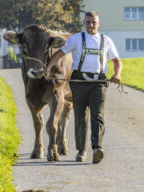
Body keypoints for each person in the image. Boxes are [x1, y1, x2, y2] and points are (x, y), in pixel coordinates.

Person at [45, 11, 122, 164]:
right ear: (84, 23)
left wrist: (117, 74)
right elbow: (59, 54)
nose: (91, 25)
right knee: (80, 116)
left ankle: (97, 148)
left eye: (94, 22)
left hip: (99, 82)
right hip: (79, 81)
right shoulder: (76, 39)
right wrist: (48, 68)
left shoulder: (106, 41)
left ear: (98, 24)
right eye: (88, 22)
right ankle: (82, 150)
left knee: (97, 115)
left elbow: (116, 61)